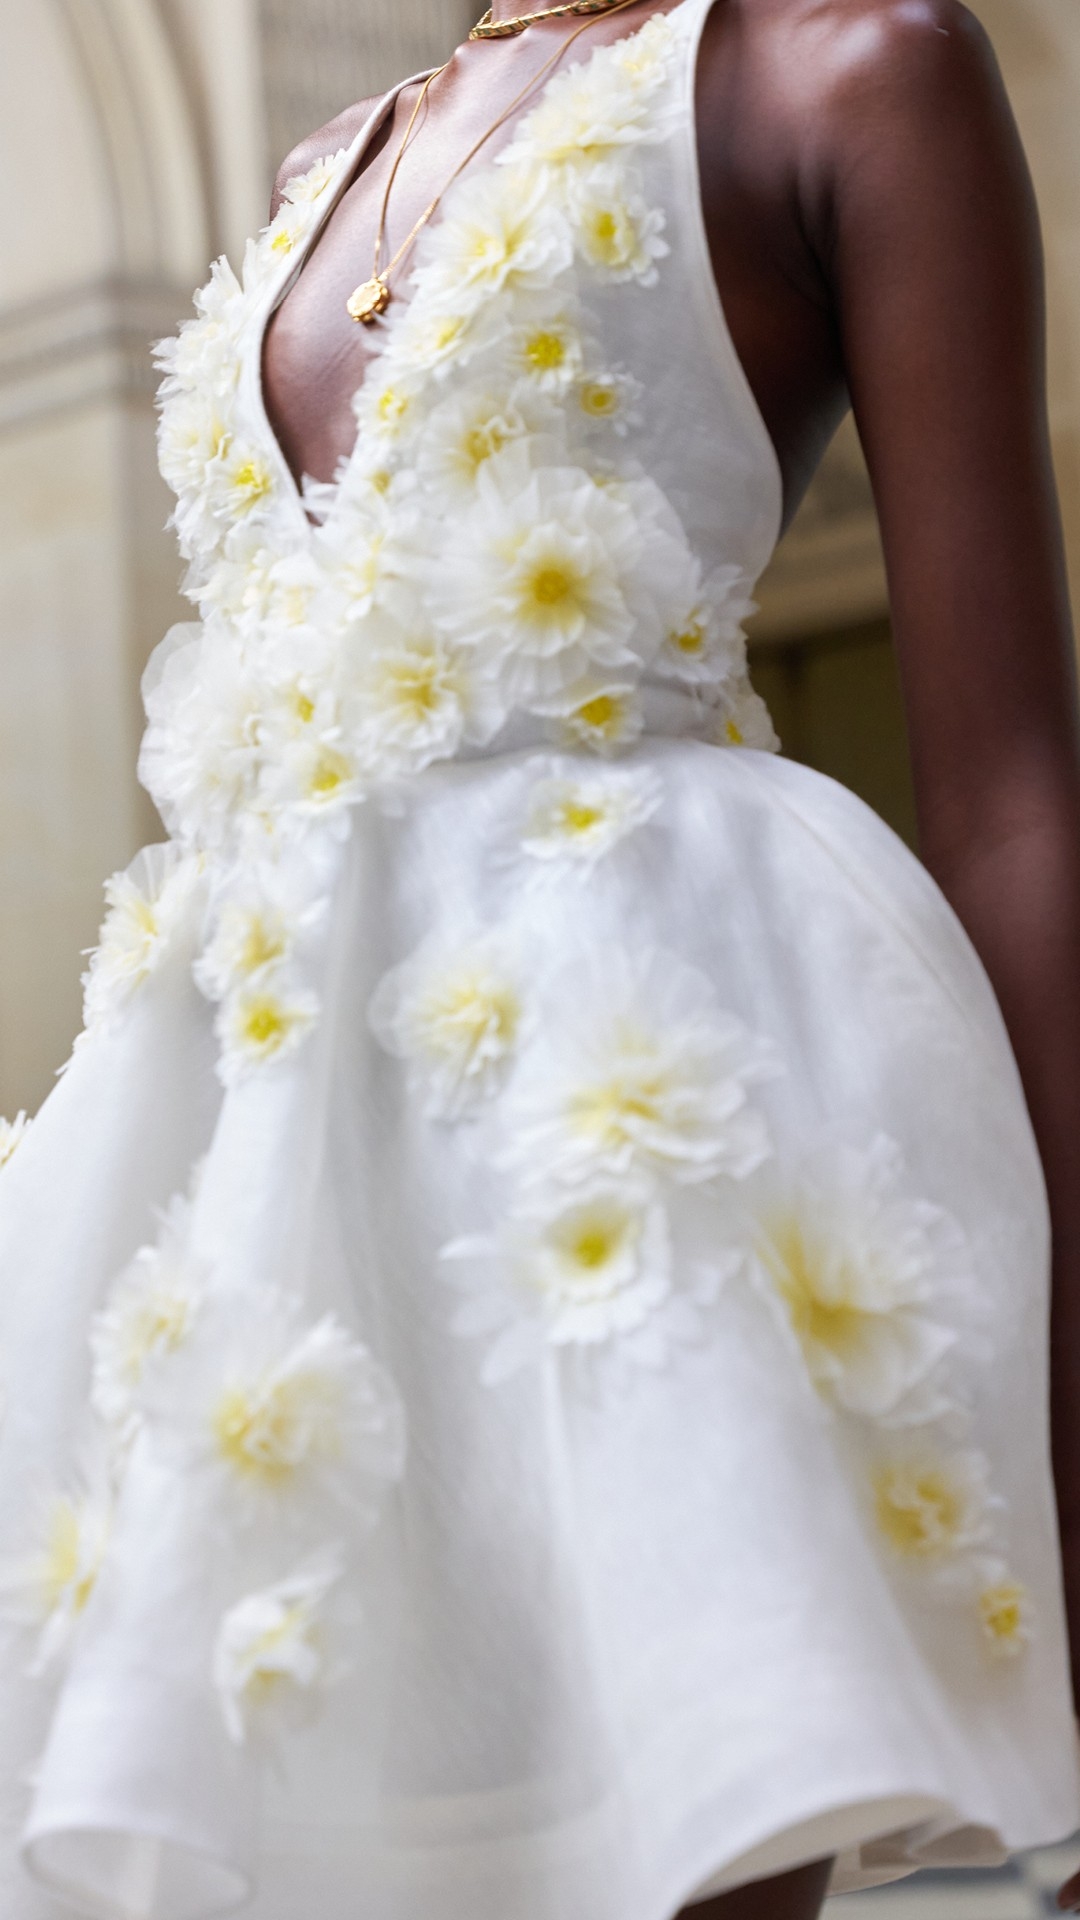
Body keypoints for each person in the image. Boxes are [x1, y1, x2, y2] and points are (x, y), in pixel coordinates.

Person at [0, 1, 1078, 1916]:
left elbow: (1011, 800)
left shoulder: (844, 70)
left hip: (643, 1170)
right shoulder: (325, 162)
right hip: (259, 1189)